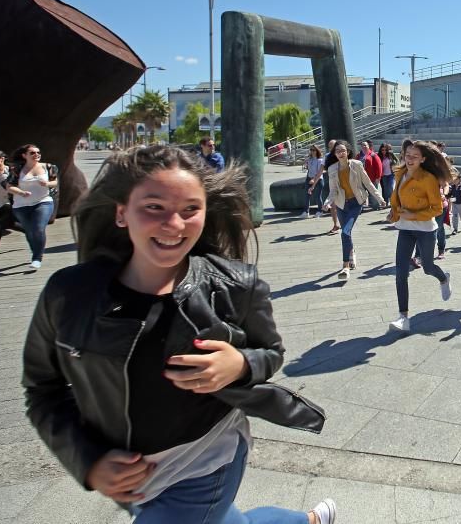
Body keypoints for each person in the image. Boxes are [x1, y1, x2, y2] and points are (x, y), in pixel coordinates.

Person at [22, 145, 336, 524]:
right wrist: (87, 461)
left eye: (190, 210)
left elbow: (269, 353)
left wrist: (239, 364)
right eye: (154, 207)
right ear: (121, 212)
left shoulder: (238, 285)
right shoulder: (68, 293)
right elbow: (42, 389)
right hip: (129, 474)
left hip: (205, 459)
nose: (174, 225)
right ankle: (307, 521)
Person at [387, 141, 453, 332]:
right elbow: (396, 200)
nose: (410, 159)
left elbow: (437, 208)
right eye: (408, 155)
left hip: (425, 228)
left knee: (427, 266)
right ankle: (403, 317)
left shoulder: (428, 179)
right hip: (405, 229)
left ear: (423, 159)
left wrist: (413, 215)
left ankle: (443, 278)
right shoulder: (400, 173)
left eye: (415, 156)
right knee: (400, 272)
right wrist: (394, 213)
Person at [326, 140, 384, 280]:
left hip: (356, 203)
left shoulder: (357, 165)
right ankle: (351, 252)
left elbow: (368, 183)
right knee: (347, 233)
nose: (340, 153)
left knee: (345, 232)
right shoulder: (332, 169)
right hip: (341, 204)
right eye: (337, 151)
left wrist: (379, 198)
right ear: (334, 153)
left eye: (343, 150)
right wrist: (328, 202)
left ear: (348, 152)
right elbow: (333, 190)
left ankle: (345, 266)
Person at [7, 144, 57, 269]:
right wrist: (21, 193)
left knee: (38, 228)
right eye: (32, 153)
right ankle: (35, 249)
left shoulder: (49, 167)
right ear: (24, 155)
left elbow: (55, 182)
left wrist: (47, 183)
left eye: (38, 152)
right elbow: (9, 186)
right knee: (29, 231)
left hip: (43, 201)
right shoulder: (17, 169)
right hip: (20, 205)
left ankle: (37, 258)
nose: (36, 155)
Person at [303, 145, 325, 218]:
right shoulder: (310, 159)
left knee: (318, 196)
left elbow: (319, 172)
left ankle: (320, 211)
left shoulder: (320, 160)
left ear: (317, 151)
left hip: (318, 180)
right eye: (311, 150)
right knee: (306, 195)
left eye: (314, 150)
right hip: (309, 178)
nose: (312, 151)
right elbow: (308, 169)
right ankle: (306, 212)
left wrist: (314, 179)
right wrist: (305, 163)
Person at [361, 141, 384, 210]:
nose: (364, 147)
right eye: (362, 145)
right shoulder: (359, 155)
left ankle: (375, 206)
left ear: (368, 146)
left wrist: (378, 177)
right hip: (361, 179)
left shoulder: (373, 155)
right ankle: (360, 208)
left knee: (373, 193)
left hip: (372, 178)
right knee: (361, 194)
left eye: (365, 145)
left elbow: (379, 166)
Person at [449, 169, 461, 234]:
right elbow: (449, 194)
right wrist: (449, 195)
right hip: (454, 204)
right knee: (455, 216)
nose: (454, 181)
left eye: (456, 180)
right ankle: (455, 229)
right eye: (454, 180)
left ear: (459, 180)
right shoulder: (452, 187)